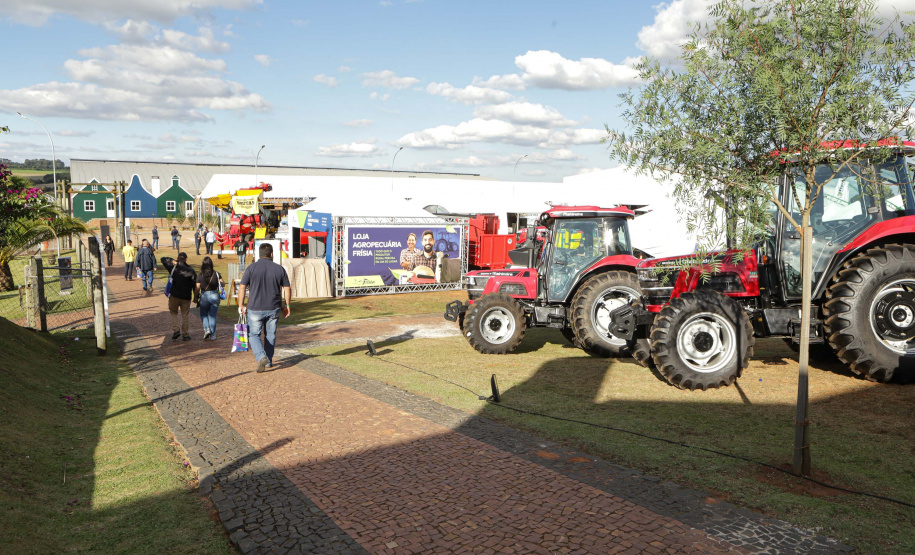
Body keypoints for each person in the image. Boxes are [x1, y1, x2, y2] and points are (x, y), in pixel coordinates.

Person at [238, 243, 291, 373]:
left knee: (253, 334)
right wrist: (287, 305)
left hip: (255, 307)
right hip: (274, 307)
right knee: (270, 334)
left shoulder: (251, 268)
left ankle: (261, 357)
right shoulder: (280, 269)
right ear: (271, 254)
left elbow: (242, 287)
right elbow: (287, 288)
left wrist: (241, 304)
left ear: (258, 254)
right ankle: (269, 360)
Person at [161, 252, 198, 341]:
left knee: (173, 312)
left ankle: (176, 330)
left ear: (178, 258)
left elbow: (162, 259)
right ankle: (185, 334)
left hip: (174, 295)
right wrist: (196, 297)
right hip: (186, 296)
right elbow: (195, 285)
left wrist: (172, 260)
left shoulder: (173, 268)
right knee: (185, 315)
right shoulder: (191, 270)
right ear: (186, 259)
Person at [195, 256, 224, 340]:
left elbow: (197, 288)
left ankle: (207, 329)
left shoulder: (200, 275)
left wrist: (195, 297)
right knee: (213, 315)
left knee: (203, 314)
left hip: (204, 295)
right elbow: (223, 284)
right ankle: (213, 334)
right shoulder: (216, 274)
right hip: (215, 295)